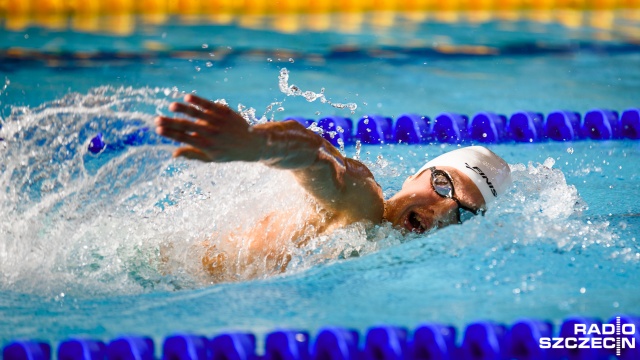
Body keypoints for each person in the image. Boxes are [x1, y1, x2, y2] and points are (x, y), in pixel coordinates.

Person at [155, 94, 512, 281]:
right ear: (414, 176)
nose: (444, 210)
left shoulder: (387, 255)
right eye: (443, 185)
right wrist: (255, 145)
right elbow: (319, 158)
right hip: (170, 276)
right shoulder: (364, 205)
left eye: (464, 215)